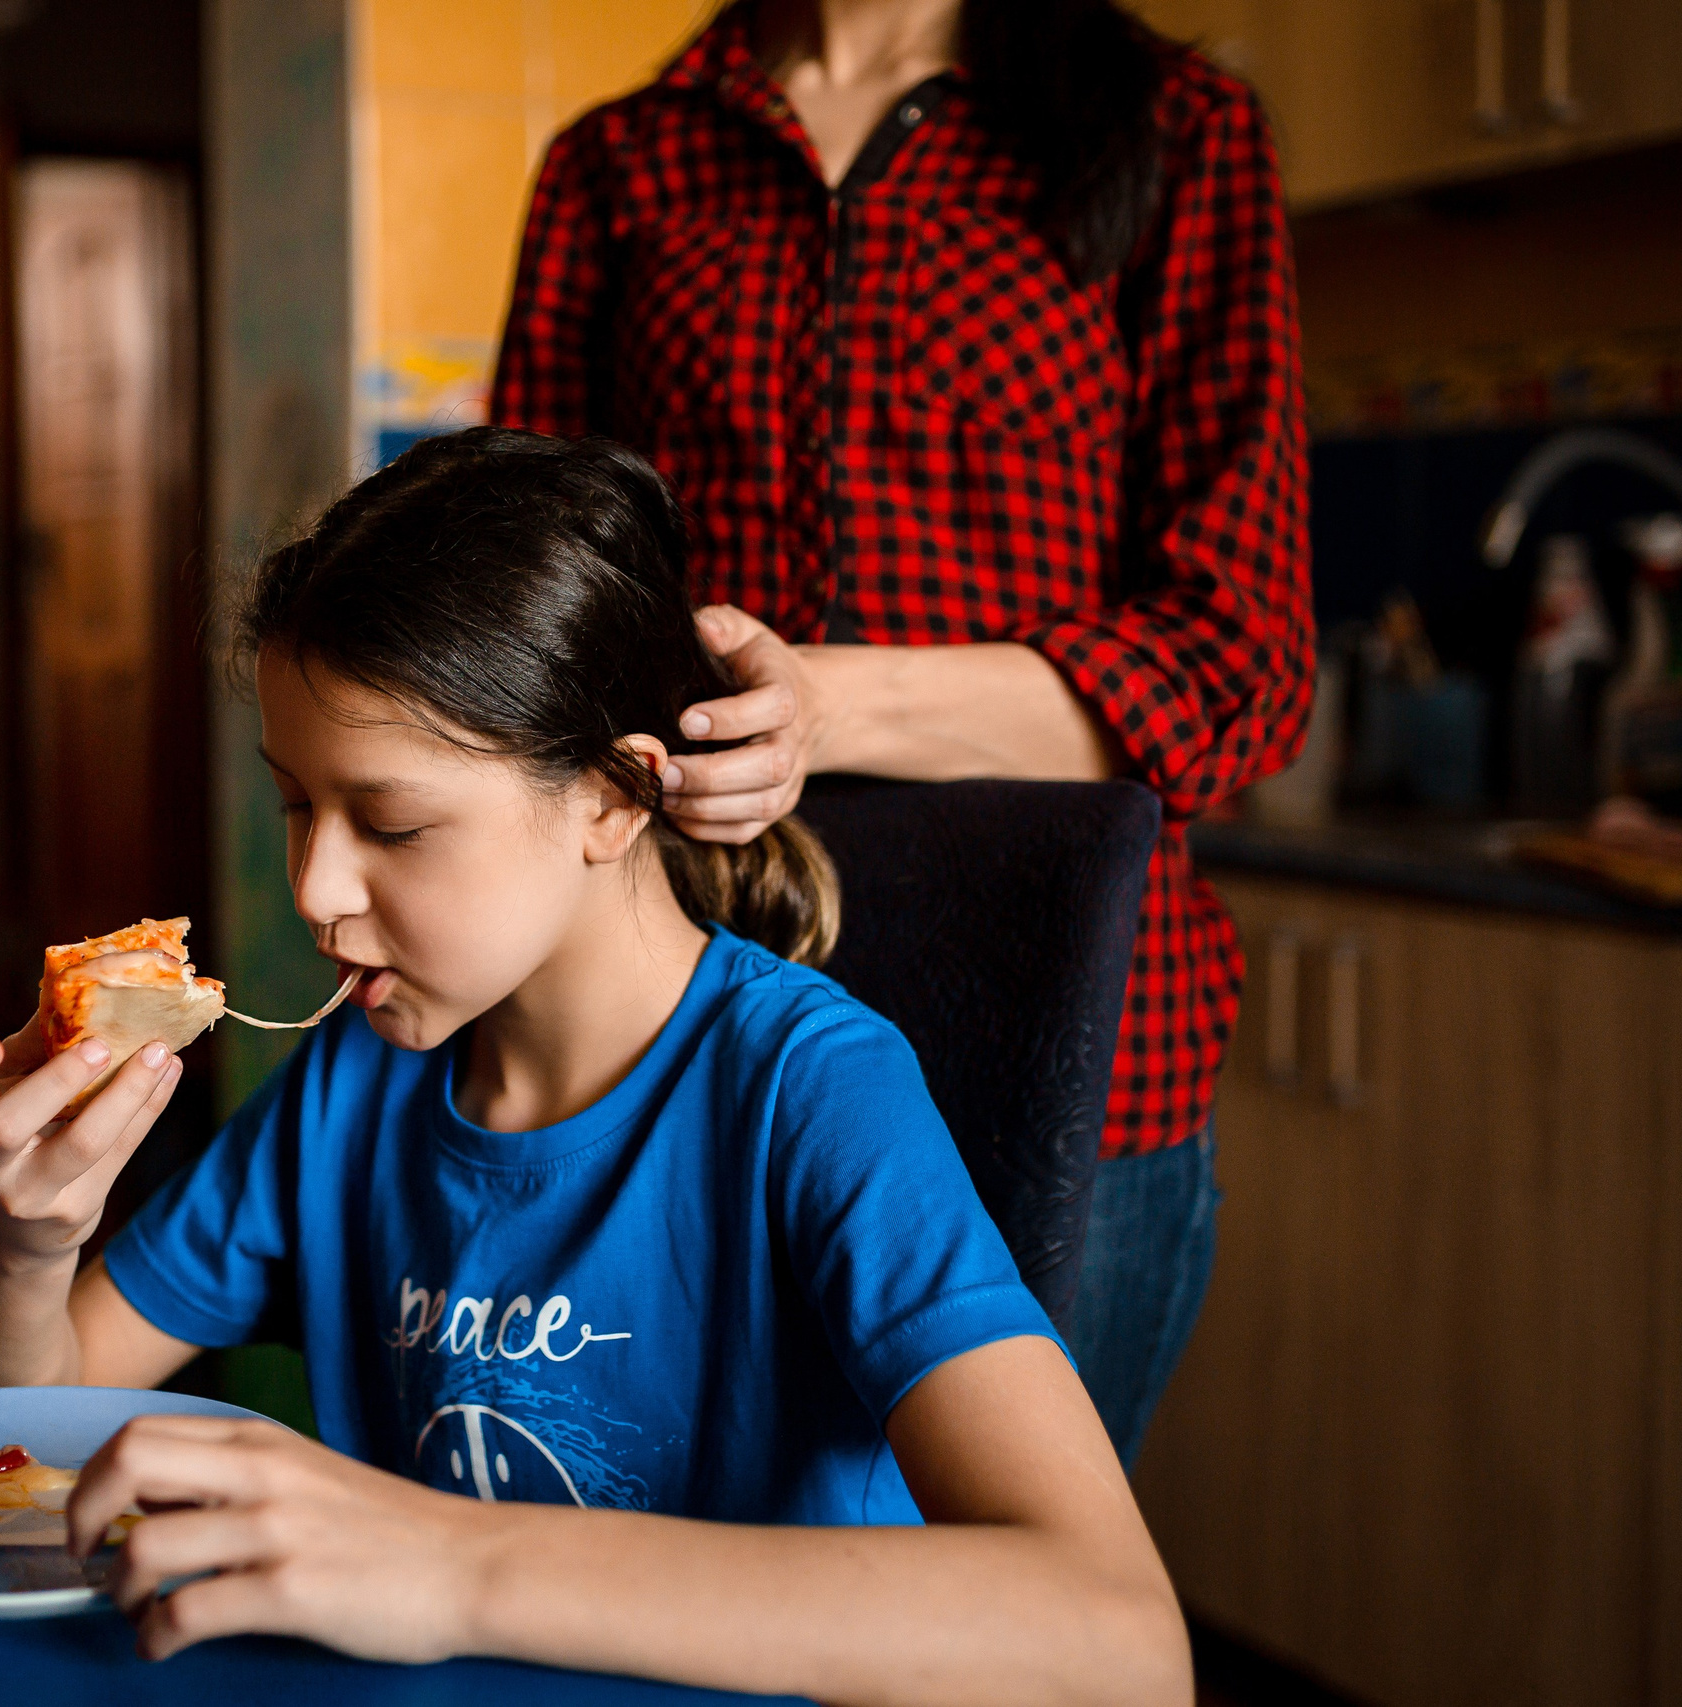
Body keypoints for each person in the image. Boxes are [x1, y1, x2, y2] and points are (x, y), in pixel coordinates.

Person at [0, 430, 1189, 1703]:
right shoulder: (345, 1091)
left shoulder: (811, 1093)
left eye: (394, 823)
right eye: (296, 802)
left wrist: (452, 1568)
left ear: (613, 797)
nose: (314, 887)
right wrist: (26, 1235)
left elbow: (1118, 1641)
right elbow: (12, 1436)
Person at [489, 0, 1312, 1464]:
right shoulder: (619, 161)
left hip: (1068, 1032)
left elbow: (1238, 655)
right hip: (683, 1013)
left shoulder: (1175, 133)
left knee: (1006, 1622)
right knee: (689, 1591)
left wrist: (835, 701)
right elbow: (531, 610)